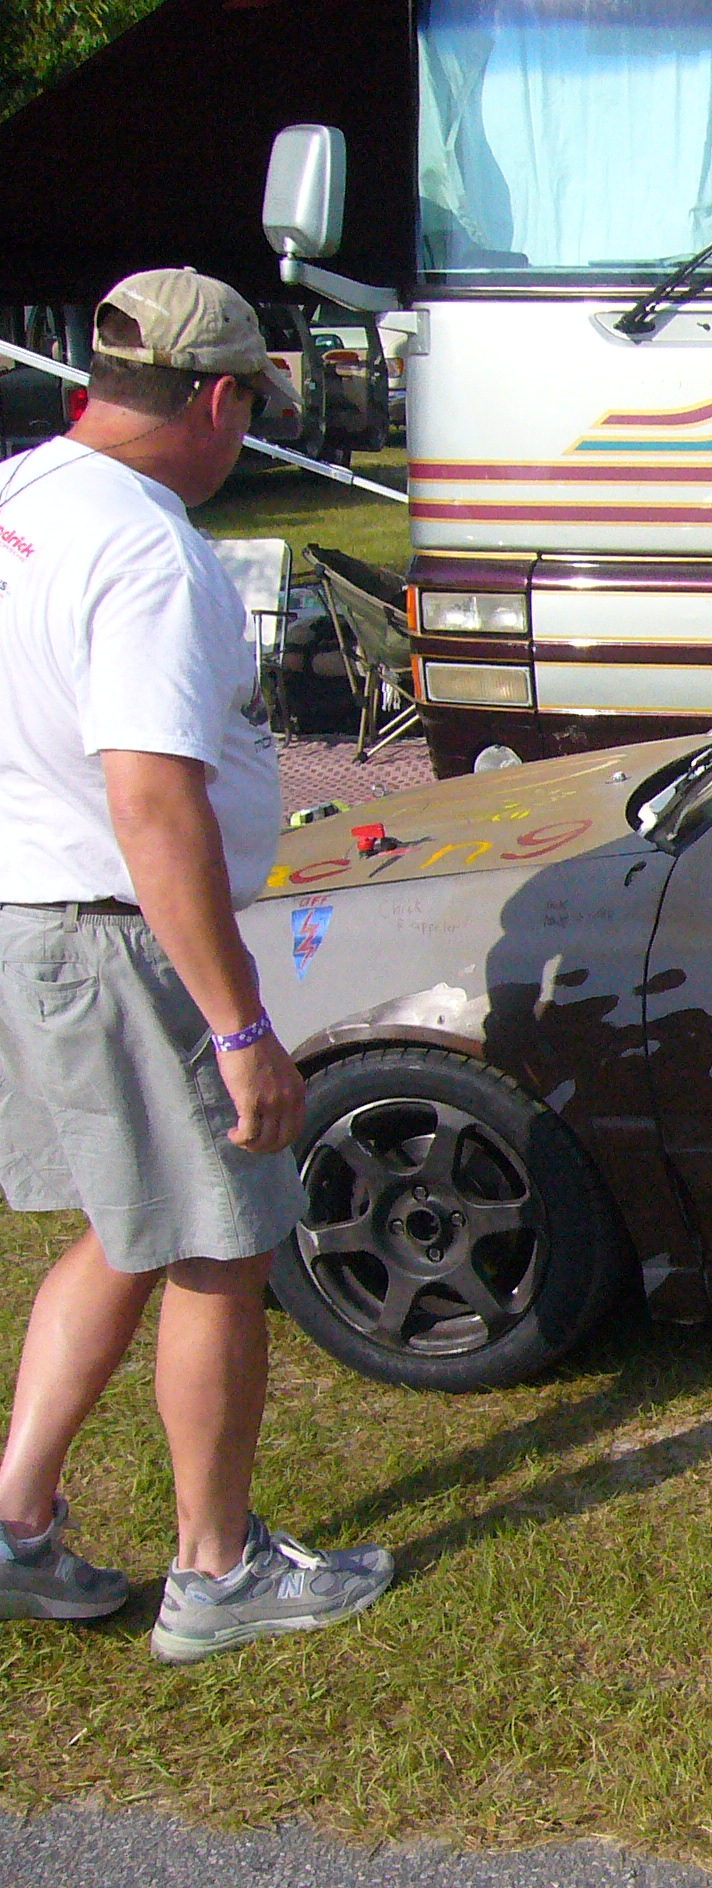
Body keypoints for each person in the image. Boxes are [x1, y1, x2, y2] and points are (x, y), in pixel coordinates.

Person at [0, 269, 392, 1662]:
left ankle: (15, 1524)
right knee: (225, 1244)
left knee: (127, 1225)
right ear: (220, 399)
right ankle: (216, 1575)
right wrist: (238, 1027)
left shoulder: (24, 496)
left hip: (33, 919)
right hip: (122, 936)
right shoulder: (149, 551)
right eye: (253, 411)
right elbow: (153, 802)